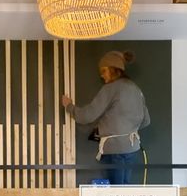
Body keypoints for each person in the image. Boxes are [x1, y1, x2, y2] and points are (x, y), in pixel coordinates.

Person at [62, 50, 150, 184]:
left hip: (115, 150)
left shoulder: (111, 89)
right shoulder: (136, 89)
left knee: (115, 194)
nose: (102, 76)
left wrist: (69, 106)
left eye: (104, 71)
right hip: (133, 149)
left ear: (112, 70)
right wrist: (125, 128)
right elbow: (146, 120)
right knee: (124, 193)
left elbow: (87, 116)